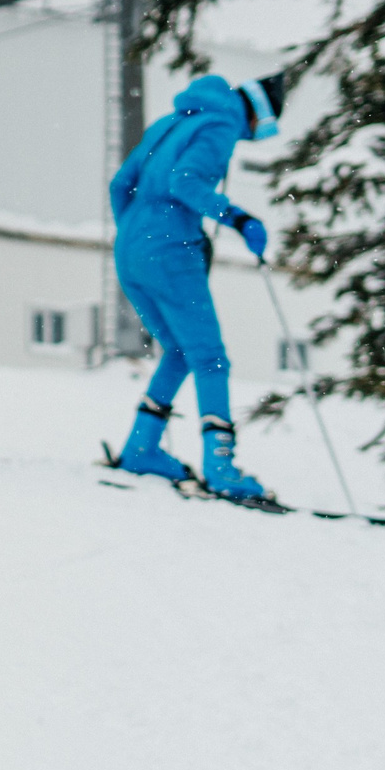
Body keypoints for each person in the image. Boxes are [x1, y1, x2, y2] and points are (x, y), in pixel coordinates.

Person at [105, 72, 288, 501]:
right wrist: (240, 219)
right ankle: (220, 468)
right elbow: (185, 183)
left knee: (182, 351)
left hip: (130, 248)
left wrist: (139, 233)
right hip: (171, 248)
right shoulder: (222, 124)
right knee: (211, 358)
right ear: (256, 116)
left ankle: (141, 449)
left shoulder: (171, 122)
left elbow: (120, 185)